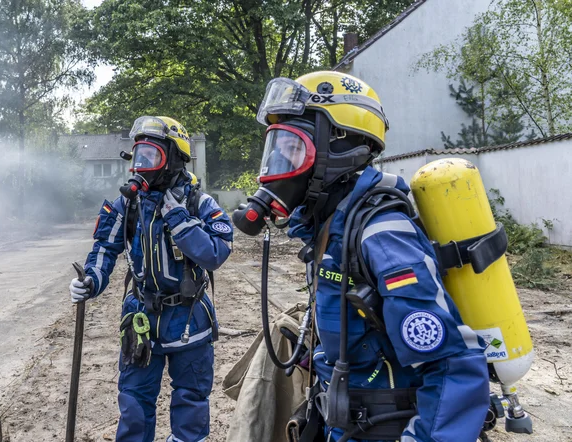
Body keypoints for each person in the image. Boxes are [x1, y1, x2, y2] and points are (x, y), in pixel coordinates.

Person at [232, 71, 490, 441]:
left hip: (382, 426)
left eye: (292, 148)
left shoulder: (382, 235)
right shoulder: (332, 227)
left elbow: (454, 365)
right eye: (277, 149)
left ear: (341, 145)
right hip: (341, 418)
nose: (279, 164)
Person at [69, 116, 234, 442]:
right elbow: (105, 248)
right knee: (134, 402)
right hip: (141, 318)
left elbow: (215, 253)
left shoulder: (198, 203)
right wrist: (90, 280)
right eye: (139, 155)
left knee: (191, 401)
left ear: (174, 159)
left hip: (189, 318)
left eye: (151, 156)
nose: (142, 165)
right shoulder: (128, 205)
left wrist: (178, 218)